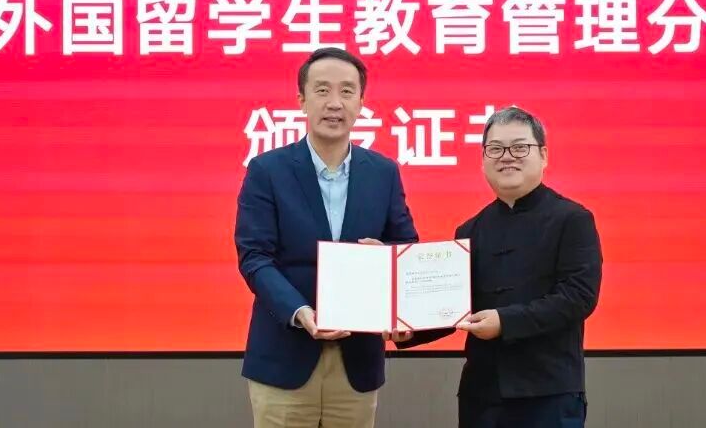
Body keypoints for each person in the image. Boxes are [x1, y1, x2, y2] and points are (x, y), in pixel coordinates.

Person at [234, 47, 417, 428]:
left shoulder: (383, 172)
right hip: (284, 356)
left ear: (362, 103)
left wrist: (386, 259)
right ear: (301, 99)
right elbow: (255, 257)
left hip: (357, 362)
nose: (335, 103)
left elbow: (406, 250)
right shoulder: (267, 170)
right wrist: (300, 313)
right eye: (322, 90)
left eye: (347, 91)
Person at [405, 106, 602, 428]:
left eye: (519, 147)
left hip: (548, 393)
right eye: (495, 149)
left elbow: (578, 297)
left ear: (543, 155)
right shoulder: (469, 230)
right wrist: (406, 327)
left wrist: (504, 322)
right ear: (483, 159)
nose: (507, 157)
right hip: (482, 396)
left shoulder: (572, 219)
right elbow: (453, 307)